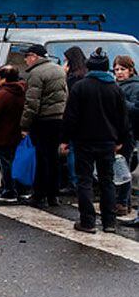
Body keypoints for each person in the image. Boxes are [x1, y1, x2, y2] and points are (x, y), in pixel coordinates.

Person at [61, 48, 129, 233]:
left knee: (85, 181)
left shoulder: (80, 87)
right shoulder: (114, 88)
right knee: (107, 181)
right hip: (107, 141)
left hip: (84, 141)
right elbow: (122, 118)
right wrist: (121, 139)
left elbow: (71, 117)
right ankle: (109, 222)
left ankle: (88, 222)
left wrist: (65, 139)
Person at [20, 44, 67, 208]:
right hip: (58, 119)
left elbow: (32, 103)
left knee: (41, 157)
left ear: (34, 56)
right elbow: (64, 95)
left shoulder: (35, 73)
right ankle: (53, 195)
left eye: (26, 57)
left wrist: (24, 125)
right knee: (54, 158)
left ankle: (38, 194)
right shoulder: (59, 70)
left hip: (42, 120)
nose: (25, 60)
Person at [0, 65, 26, 203]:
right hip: (17, 132)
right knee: (16, 162)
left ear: (4, 79)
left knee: (6, 163)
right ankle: (20, 189)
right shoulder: (22, 90)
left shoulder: (3, 93)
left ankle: (9, 191)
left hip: (3, 133)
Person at [113, 55, 139, 217]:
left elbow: (136, 110)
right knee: (118, 168)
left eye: (122, 69)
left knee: (123, 169)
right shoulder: (116, 85)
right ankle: (123, 201)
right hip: (116, 132)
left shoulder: (135, 87)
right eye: (116, 69)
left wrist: (121, 101)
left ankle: (123, 202)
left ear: (130, 70)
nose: (119, 72)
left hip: (128, 134)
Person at [62, 46, 88, 194]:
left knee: (72, 151)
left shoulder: (72, 79)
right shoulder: (87, 75)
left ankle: (74, 182)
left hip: (75, 119)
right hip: (88, 121)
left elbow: (68, 102)